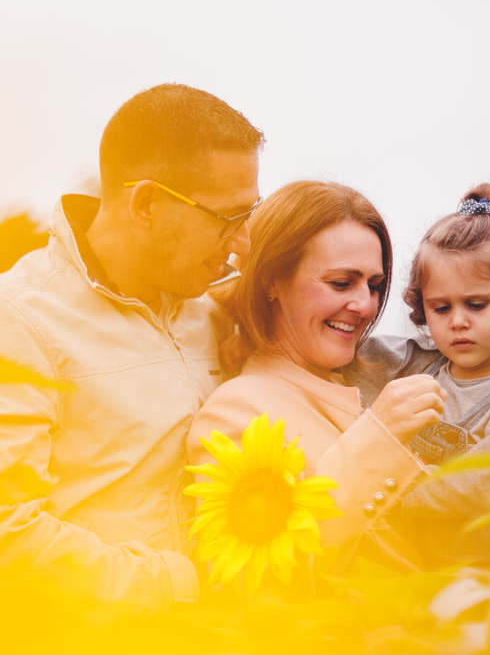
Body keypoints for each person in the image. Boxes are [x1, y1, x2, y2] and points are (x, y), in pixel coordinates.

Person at [0, 84, 263, 613]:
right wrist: (183, 585)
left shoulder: (210, 313)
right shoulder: (7, 326)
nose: (242, 242)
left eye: (251, 216)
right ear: (146, 203)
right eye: (227, 219)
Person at [186, 180, 448, 579]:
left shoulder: (370, 382)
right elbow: (254, 577)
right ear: (272, 280)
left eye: (375, 286)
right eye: (341, 282)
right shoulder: (237, 408)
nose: (364, 305)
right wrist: (381, 435)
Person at [345, 182, 490, 567]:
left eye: (476, 305)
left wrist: (379, 488)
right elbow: (342, 356)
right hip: (402, 569)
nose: (458, 321)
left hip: (483, 580)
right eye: (440, 308)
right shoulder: (414, 363)